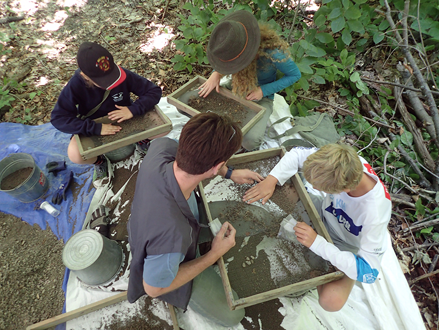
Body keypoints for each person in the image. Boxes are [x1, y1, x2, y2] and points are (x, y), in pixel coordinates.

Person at [127, 113, 263, 326]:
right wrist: (214, 254)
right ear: (215, 166)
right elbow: (152, 289)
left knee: (252, 218)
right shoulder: (172, 235)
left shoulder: (161, 147)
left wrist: (229, 173)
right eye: (222, 165)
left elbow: (194, 156)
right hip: (160, 251)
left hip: (151, 218)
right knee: (233, 315)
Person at [243, 144, 392, 312]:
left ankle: (319, 272)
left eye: (319, 187)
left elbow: (369, 272)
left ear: (345, 190)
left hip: (344, 244)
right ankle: (316, 259)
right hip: (320, 212)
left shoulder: (374, 213)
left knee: (331, 302)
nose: (314, 188)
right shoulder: (339, 162)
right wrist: (272, 180)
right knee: (280, 185)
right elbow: (297, 154)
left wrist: (317, 244)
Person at [51, 42, 162, 182]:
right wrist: (95, 128)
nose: (111, 83)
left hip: (126, 118)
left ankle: (142, 141)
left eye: (112, 76)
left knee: (160, 125)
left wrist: (132, 110)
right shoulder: (76, 85)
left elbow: (154, 91)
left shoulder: (122, 74)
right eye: (104, 81)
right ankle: (100, 161)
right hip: (95, 125)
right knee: (75, 154)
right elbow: (59, 118)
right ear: (84, 75)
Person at [198, 10, 301, 151]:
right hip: (236, 87)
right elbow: (224, 65)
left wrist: (263, 91)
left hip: (261, 97)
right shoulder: (228, 46)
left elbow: (295, 75)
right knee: (199, 104)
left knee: (251, 141)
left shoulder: (273, 52)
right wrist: (216, 73)